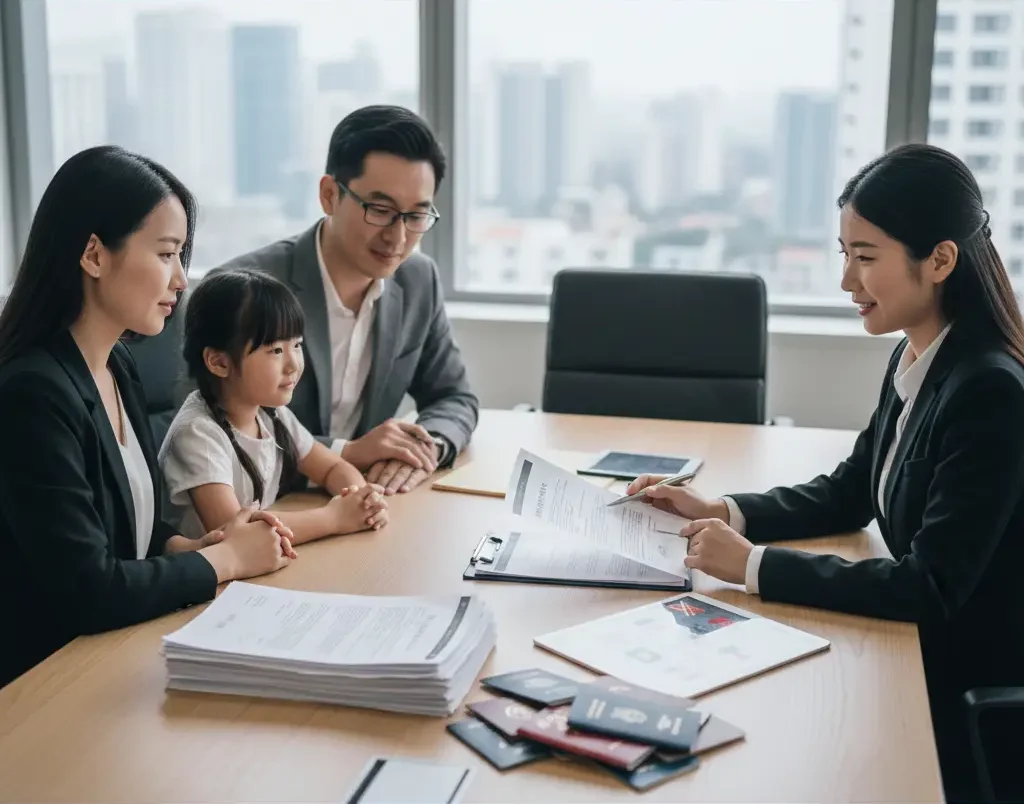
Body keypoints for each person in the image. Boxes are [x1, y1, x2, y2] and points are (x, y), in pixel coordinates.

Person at [627, 143, 1024, 802]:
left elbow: (929, 587)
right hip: (905, 655)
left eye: (865, 258)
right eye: (844, 253)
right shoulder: (920, 352)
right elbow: (850, 491)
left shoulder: (990, 391)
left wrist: (752, 565)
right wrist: (719, 511)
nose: (846, 281)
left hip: (955, 696)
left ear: (940, 260)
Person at [0, 146, 299, 689]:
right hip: (43, 682)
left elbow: (122, 526)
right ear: (94, 254)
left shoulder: (117, 364)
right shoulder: (32, 395)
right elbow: (88, 589)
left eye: (182, 256)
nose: (182, 280)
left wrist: (186, 547)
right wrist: (225, 561)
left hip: (114, 653)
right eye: (166, 255)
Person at [212, 105, 478, 496]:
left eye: (416, 216)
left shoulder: (419, 280)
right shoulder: (245, 292)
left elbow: (453, 396)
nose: (398, 237)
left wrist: (423, 449)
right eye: (381, 210)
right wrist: (345, 454)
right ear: (329, 195)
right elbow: (214, 433)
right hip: (267, 515)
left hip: (363, 508)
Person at [160, 269, 389, 544]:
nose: (293, 364)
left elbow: (331, 468)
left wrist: (362, 499)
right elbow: (234, 531)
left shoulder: (272, 415)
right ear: (219, 362)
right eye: (276, 351)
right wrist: (335, 519)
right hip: (209, 579)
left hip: (253, 568)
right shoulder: (197, 434)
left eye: (297, 345)